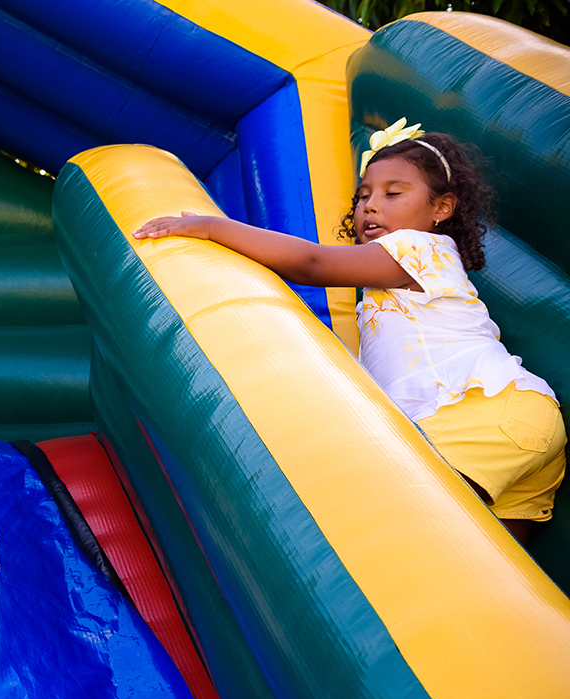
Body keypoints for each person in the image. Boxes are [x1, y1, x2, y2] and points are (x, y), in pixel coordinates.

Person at [133, 118, 565, 545]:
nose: (371, 205)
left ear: (442, 208)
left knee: (415, 532)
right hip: (523, 415)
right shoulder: (405, 280)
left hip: (481, 413)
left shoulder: (416, 248)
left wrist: (213, 227)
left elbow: (312, 263)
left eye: (393, 193)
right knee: (497, 571)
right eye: (363, 196)